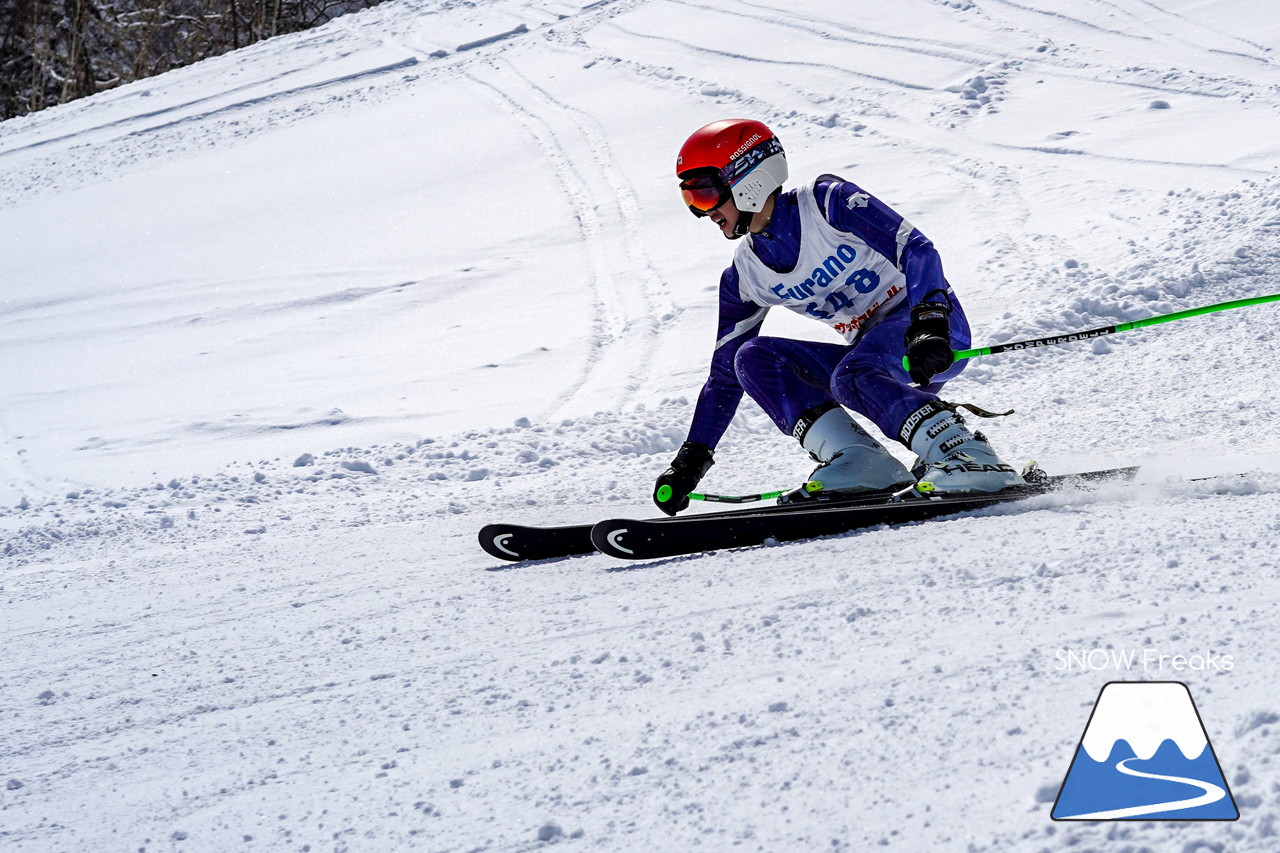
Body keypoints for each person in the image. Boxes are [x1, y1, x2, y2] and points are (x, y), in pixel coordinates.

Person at [653, 118, 1022, 516]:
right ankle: (863, 462)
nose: (702, 212)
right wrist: (692, 459)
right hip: (871, 360)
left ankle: (969, 456)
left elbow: (918, 250)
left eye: (706, 194)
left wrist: (929, 324)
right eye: (690, 199)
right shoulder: (745, 275)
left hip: (931, 335)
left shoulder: (827, 204)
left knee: (852, 374)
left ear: (749, 178)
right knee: (752, 358)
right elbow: (725, 375)